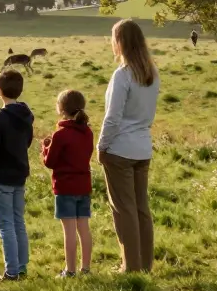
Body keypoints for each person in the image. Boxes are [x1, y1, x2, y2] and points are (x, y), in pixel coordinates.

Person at [99, 19, 161, 273]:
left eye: (114, 38)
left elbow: (113, 117)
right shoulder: (151, 73)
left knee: (123, 210)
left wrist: (101, 145)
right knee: (140, 208)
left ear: (121, 42)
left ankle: (130, 266)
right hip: (143, 147)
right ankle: (144, 264)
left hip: (120, 149)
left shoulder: (122, 75)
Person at [0, 69, 34, 281]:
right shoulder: (27, 116)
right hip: (19, 173)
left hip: (1, 176)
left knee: (5, 225)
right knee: (18, 221)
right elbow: (28, 141)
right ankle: (21, 267)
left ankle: (11, 271)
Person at [41, 89, 94, 277]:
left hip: (65, 187)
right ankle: (85, 268)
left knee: (69, 231)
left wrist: (45, 149)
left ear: (61, 109)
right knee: (84, 229)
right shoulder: (87, 132)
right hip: (83, 184)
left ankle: (70, 270)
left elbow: (50, 162)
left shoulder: (60, 134)